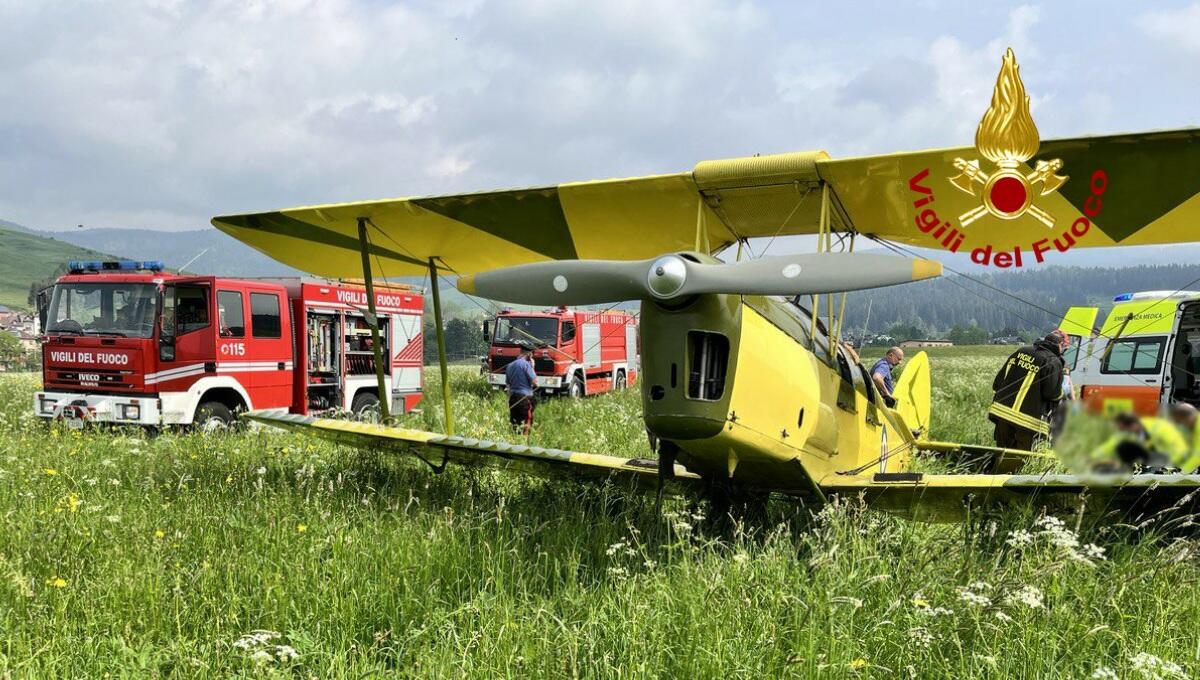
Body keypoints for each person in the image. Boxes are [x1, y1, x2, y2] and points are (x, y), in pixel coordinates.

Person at [988, 330, 1068, 450]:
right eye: (1064, 348)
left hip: (1001, 412)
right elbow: (1051, 393)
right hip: (1027, 422)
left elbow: (997, 383)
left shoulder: (1021, 351)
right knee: (1021, 459)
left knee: (1003, 452)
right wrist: (1062, 393)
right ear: (1060, 344)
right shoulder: (1053, 361)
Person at [1095, 412, 1189, 472]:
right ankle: (1130, 471)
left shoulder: (1160, 427)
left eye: (1123, 429)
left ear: (1132, 424)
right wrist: (1094, 457)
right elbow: (1112, 443)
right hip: (1151, 458)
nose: (1123, 432)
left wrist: (1173, 466)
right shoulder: (1131, 431)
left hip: (1170, 459)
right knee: (1123, 447)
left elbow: (1179, 448)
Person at [506, 343, 538, 435]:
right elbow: (535, 382)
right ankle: (523, 445)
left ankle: (514, 442)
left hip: (513, 399)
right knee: (526, 426)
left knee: (515, 424)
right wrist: (533, 367)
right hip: (525, 400)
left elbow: (508, 386)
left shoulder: (510, 366)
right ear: (529, 355)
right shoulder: (526, 365)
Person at [1167, 402, 1200, 472]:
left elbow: (1198, 454)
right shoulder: (1194, 426)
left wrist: (1184, 471)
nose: (1184, 424)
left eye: (1182, 421)